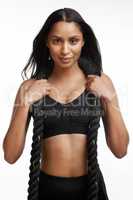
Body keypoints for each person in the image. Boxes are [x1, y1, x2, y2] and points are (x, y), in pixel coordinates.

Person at [3, 7, 129, 200]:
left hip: (91, 190)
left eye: (73, 41)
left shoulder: (101, 83)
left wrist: (110, 99)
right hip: (48, 191)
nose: (65, 50)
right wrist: (26, 102)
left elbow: (120, 150)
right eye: (57, 41)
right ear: (47, 41)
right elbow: (10, 156)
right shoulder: (29, 88)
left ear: (83, 41)